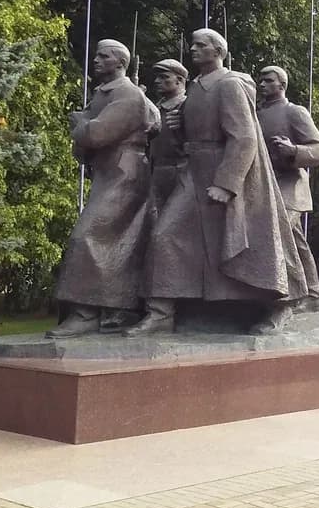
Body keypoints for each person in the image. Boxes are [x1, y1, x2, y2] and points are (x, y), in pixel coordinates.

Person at [126, 29, 307, 336]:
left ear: (218, 51)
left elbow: (245, 137)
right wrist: (179, 128)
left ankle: (279, 306)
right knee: (166, 235)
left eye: (201, 45)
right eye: (193, 44)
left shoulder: (230, 84)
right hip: (193, 171)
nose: (193, 49)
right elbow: (192, 135)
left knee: (252, 244)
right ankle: (161, 312)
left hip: (225, 171)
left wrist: (227, 183)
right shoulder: (196, 86)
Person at [48, 39, 160, 338]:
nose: (96, 60)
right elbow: (87, 140)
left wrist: (79, 123)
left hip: (126, 173)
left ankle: (86, 313)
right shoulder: (103, 92)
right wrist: (84, 129)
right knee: (117, 245)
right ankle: (117, 311)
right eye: (97, 55)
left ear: (120, 62)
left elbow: (97, 133)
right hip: (108, 171)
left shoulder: (127, 93)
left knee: (88, 236)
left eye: (104, 56)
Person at [256, 65, 319, 312]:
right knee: (294, 239)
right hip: (263, 184)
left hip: (290, 184)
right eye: (260, 81)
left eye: (268, 81)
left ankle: (289, 298)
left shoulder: (294, 112)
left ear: (282, 85)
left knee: (278, 232)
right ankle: (313, 294)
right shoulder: (255, 114)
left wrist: (294, 150)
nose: (262, 85)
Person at [149, 58, 188, 211]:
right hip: (156, 172)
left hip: (179, 172)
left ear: (179, 80)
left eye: (164, 77)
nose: (157, 81)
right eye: (157, 77)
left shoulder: (187, 105)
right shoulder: (156, 108)